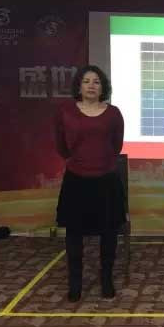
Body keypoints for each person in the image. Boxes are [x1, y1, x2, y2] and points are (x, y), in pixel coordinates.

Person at [54, 65, 126, 302]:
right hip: (77, 180)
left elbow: (116, 146)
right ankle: (75, 283)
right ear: (79, 86)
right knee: (74, 234)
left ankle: (106, 280)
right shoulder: (65, 112)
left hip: (106, 181)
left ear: (103, 87)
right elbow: (61, 146)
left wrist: (100, 162)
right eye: (86, 81)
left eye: (96, 81)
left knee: (109, 233)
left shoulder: (113, 113)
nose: (91, 86)